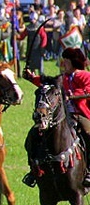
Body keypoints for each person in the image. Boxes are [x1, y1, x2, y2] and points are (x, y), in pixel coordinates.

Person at [23, 47, 90, 187]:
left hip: (80, 115)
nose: (63, 64)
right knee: (35, 134)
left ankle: (88, 170)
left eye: (66, 61)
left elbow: (87, 91)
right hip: (60, 116)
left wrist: (71, 94)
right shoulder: (62, 78)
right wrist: (31, 77)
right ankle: (33, 170)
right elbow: (47, 83)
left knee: (88, 133)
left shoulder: (84, 75)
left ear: (73, 62)